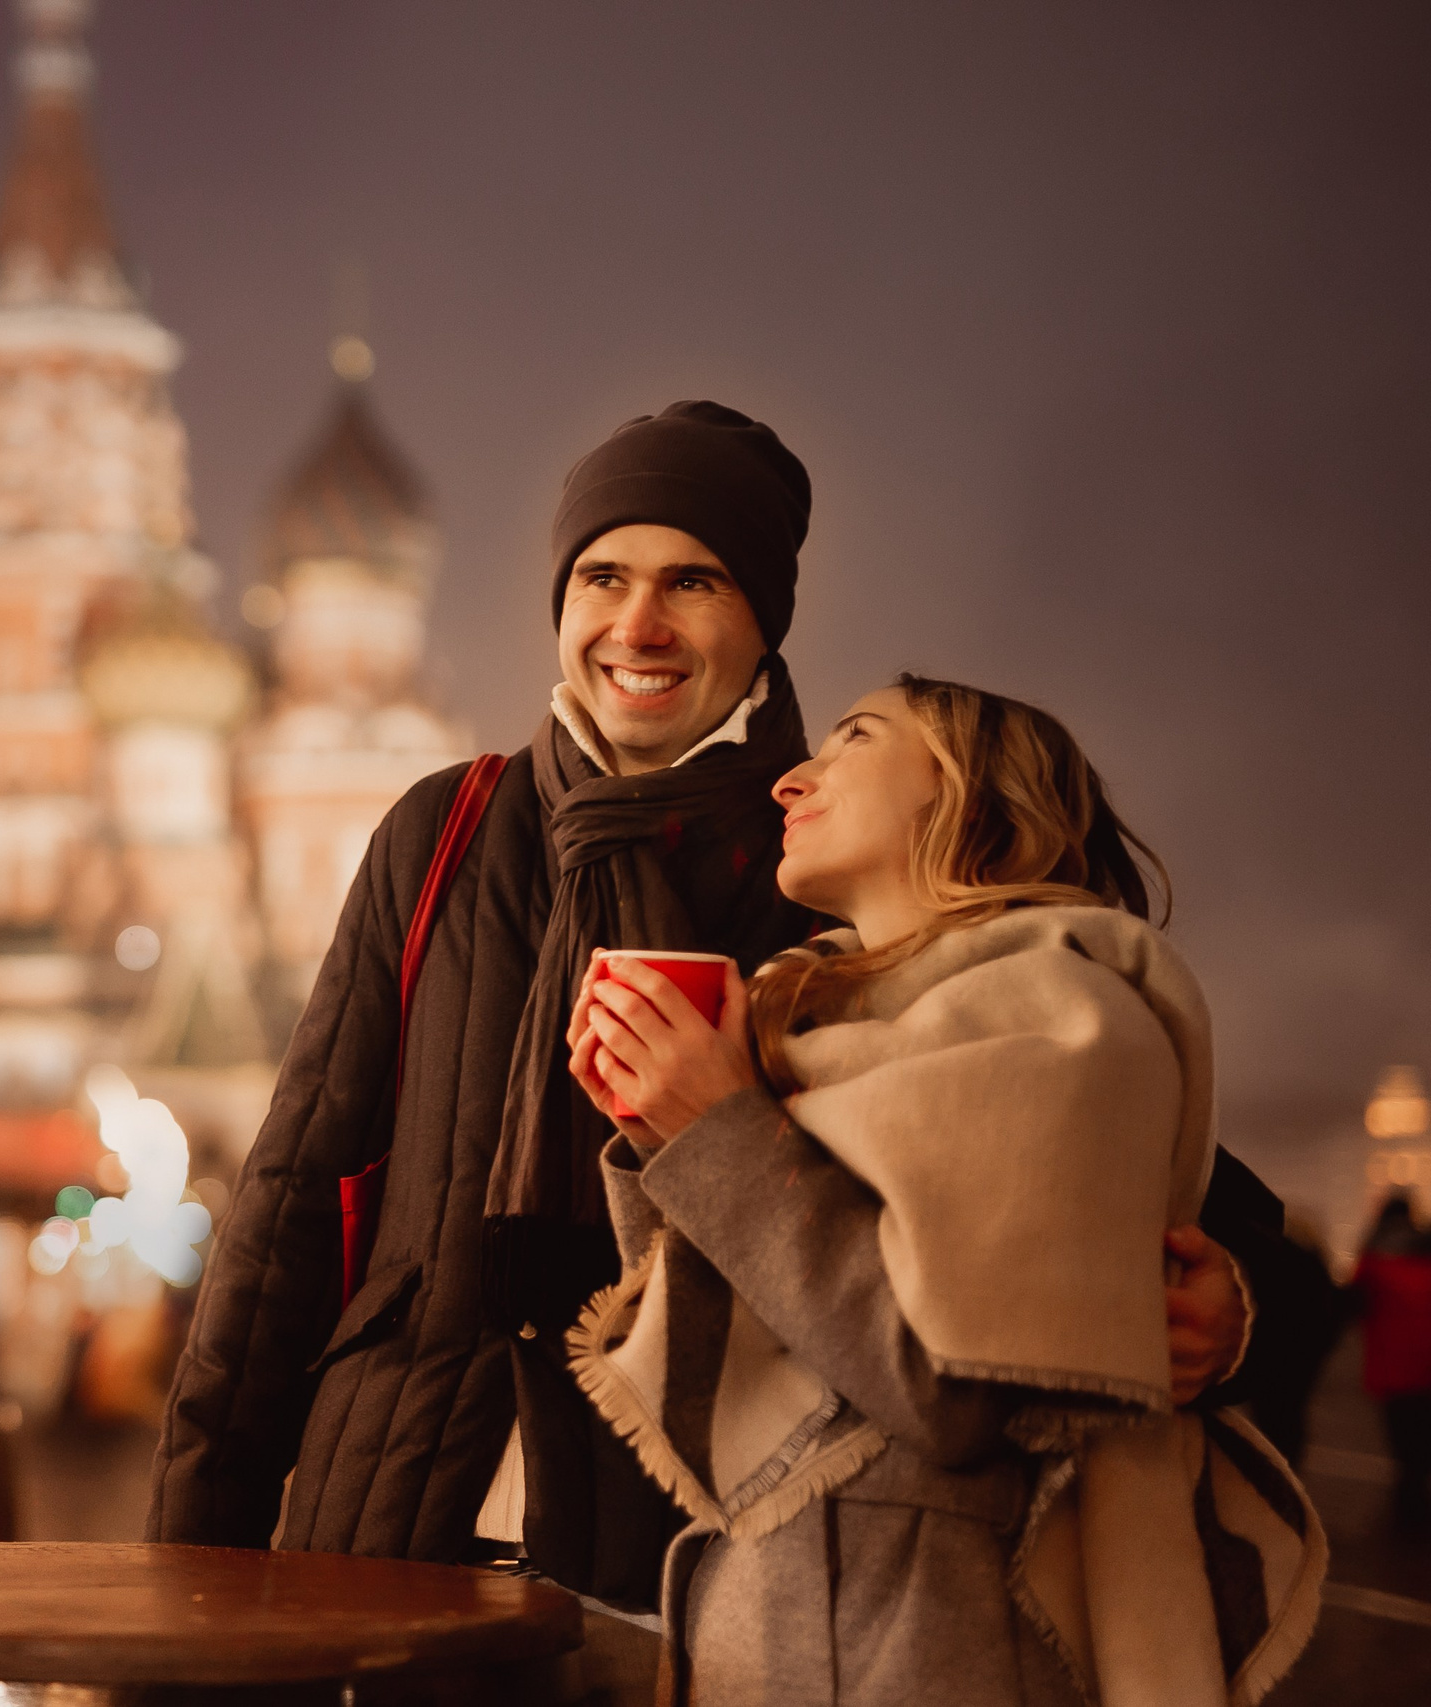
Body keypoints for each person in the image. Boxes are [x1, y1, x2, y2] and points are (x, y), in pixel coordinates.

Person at [148, 402, 1290, 1608]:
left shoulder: (837, 865)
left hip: (711, 1560)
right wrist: (185, 1562)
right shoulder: (449, 832)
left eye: (691, 581)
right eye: (601, 577)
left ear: (761, 622)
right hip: (388, 1518)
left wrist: (1238, 1301)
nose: (635, 624)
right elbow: (287, 1209)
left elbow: (1124, 1142)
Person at [565, 675, 1323, 1704]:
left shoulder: (1066, 1020)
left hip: (933, 1638)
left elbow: (945, 1390)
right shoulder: (804, 1025)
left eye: (854, 741)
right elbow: (742, 1335)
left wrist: (714, 1134)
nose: (792, 780)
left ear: (973, 800)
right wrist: (667, 1132)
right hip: (782, 1619)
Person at [1354, 1193, 1431, 1529]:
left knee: (1404, 1446)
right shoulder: (1426, 1252)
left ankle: (1409, 1510)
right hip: (1426, 1367)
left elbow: (1355, 1301)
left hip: (1392, 1368)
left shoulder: (1374, 1259)